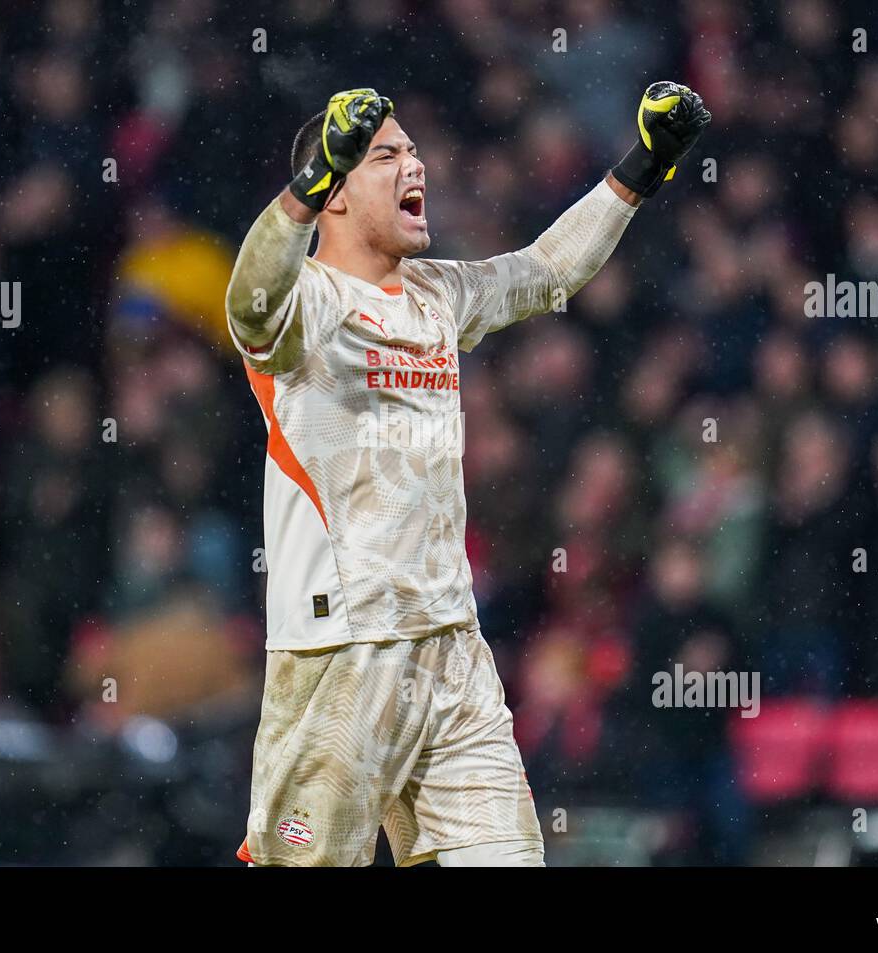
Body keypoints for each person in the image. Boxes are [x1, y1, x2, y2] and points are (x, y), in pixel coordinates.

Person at [225, 85, 710, 866]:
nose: (415, 164)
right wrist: (304, 190)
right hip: (340, 650)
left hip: (451, 647)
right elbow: (249, 302)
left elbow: (548, 269)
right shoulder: (304, 301)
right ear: (336, 192)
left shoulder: (439, 296)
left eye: (414, 151)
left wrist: (643, 166)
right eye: (386, 154)